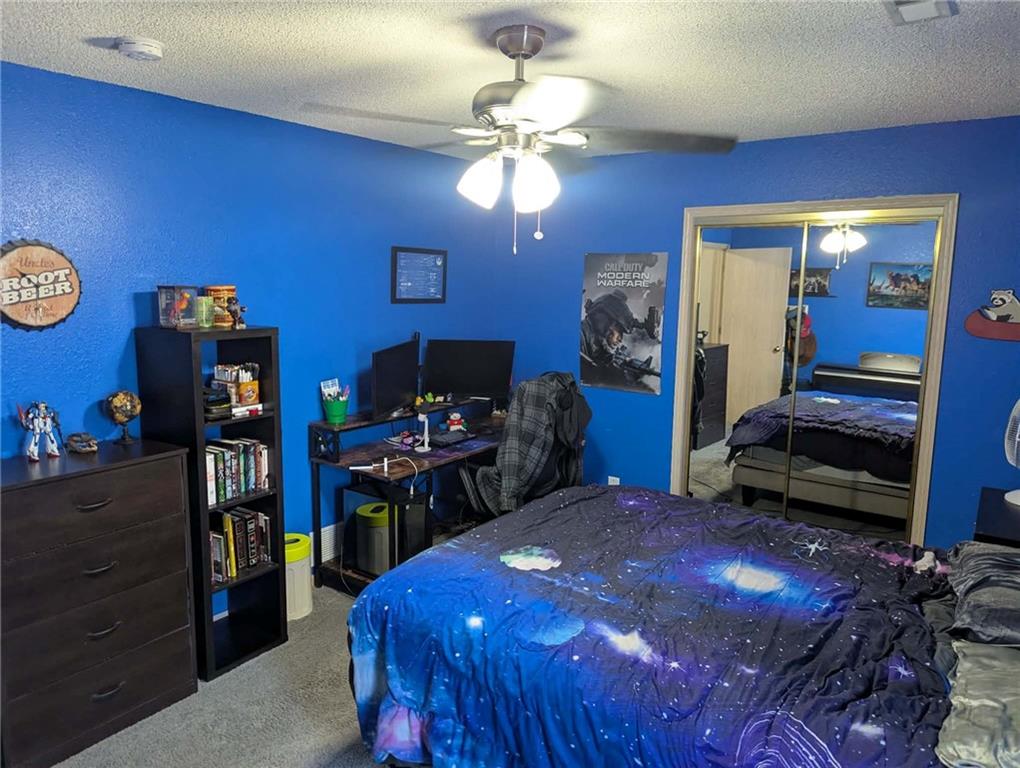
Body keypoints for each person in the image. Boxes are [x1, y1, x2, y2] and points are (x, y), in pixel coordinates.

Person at [580, 289, 660, 391]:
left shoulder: (594, 345)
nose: (620, 339)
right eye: (620, 330)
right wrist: (612, 376)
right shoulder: (578, 337)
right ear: (604, 322)